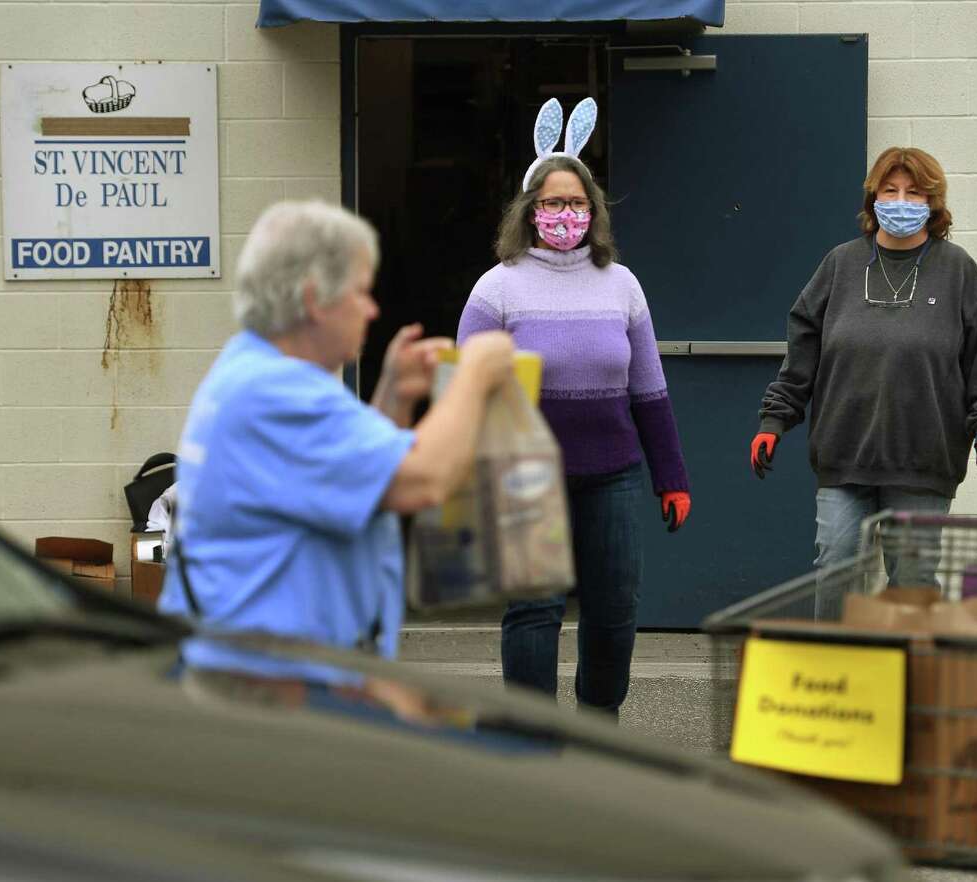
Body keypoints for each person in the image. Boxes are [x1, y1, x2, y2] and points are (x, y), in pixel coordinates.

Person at [159, 200, 514, 677]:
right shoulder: (278, 394)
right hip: (272, 689)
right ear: (313, 300)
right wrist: (475, 374)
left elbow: (350, 474)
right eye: (361, 292)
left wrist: (393, 396)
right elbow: (420, 481)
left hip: (265, 672)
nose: (372, 310)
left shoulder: (256, 371)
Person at [457, 98, 691, 717]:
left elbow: (650, 389)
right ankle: (532, 734)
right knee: (534, 611)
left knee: (614, 610)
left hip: (611, 474)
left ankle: (598, 727)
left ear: (595, 210)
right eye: (554, 202)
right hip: (524, 473)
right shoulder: (496, 287)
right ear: (530, 211)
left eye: (578, 202)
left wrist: (672, 478)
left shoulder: (623, 284)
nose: (566, 213)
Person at [750, 146, 977, 585]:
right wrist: (774, 419)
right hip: (844, 454)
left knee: (913, 579)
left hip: (924, 461)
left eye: (914, 193)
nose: (901, 202)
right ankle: (838, 657)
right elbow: (802, 354)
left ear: (933, 204)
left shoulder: (958, 271)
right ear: (872, 199)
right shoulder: (840, 264)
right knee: (835, 568)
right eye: (890, 191)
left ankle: (908, 657)